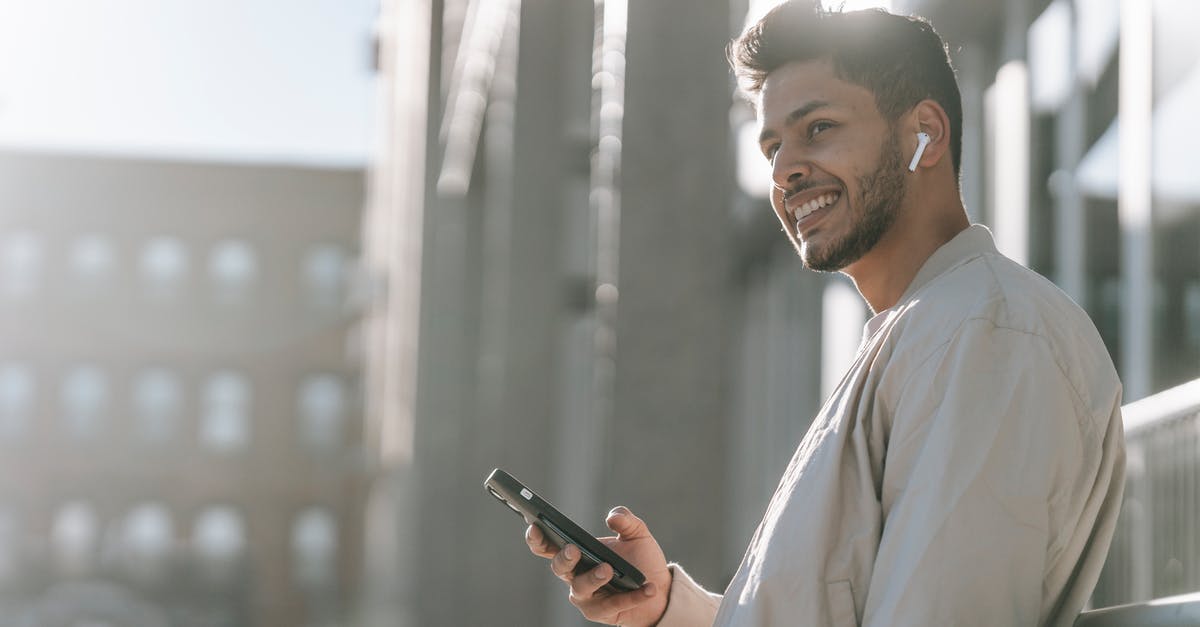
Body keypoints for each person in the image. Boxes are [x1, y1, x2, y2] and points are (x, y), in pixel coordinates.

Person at [524, 3, 1126, 626]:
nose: (784, 170)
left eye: (819, 128)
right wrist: (669, 607)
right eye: (773, 146)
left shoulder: (984, 336)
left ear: (926, 132)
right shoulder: (927, 333)